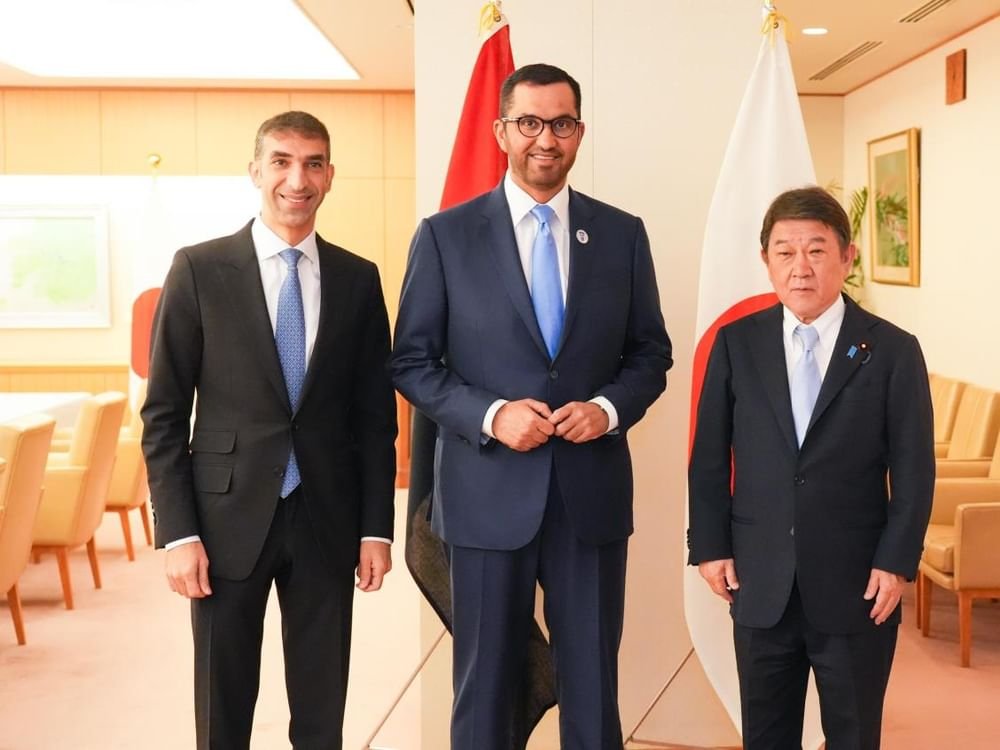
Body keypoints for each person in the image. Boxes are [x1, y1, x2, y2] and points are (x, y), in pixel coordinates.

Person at [391, 63, 672, 749]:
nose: (546, 138)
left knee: (592, 687)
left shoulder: (622, 234)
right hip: (485, 499)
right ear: (501, 131)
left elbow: (650, 354)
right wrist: (492, 416)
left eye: (562, 123)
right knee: (486, 687)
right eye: (530, 122)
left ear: (580, 132)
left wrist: (607, 408)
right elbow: (412, 363)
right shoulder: (446, 235)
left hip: (589, 497)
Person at [141, 111, 397, 750]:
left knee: (322, 706)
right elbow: (164, 414)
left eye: (313, 164)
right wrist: (179, 533)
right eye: (281, 161)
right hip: (223, 522)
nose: (297, 179)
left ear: (330, 176)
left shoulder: (358, 278)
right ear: (255, 170)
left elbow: (375, 418)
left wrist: (376, 527)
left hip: (327, 519)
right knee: (222, 704)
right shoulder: (198, 269)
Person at [688, 186, 934, 749]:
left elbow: (914, 469)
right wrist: (710, 546)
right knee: (766, 736)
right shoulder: (736, 344)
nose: (801, 267)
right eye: (785, 252)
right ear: (766, 260)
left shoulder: (892, 350)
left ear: (847, 257)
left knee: (853, 735)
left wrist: (896, 562)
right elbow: (709, 458)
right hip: (759, 579)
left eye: (817, 250)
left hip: (858, 585)